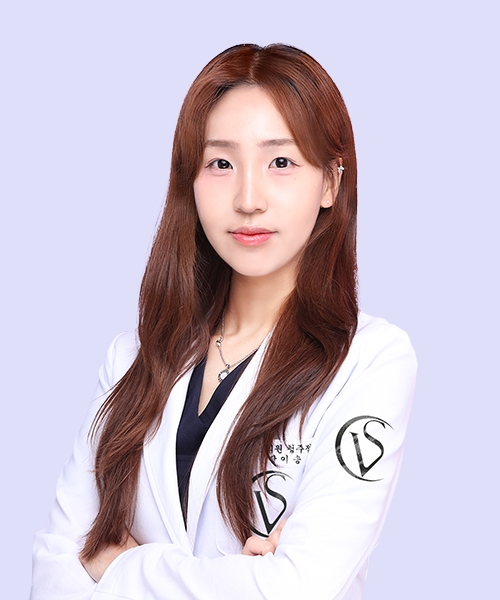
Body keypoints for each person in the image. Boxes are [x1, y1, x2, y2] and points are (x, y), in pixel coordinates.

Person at [30, 43, 417, 600]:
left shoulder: (371, 361)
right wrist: (235, 577)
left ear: (331, 182)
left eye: (280, 162)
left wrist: (122, 565)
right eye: (221, 163)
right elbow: (52, 573)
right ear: (189, 180)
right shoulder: (133, 357)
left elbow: (297, 590)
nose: (248, 199)